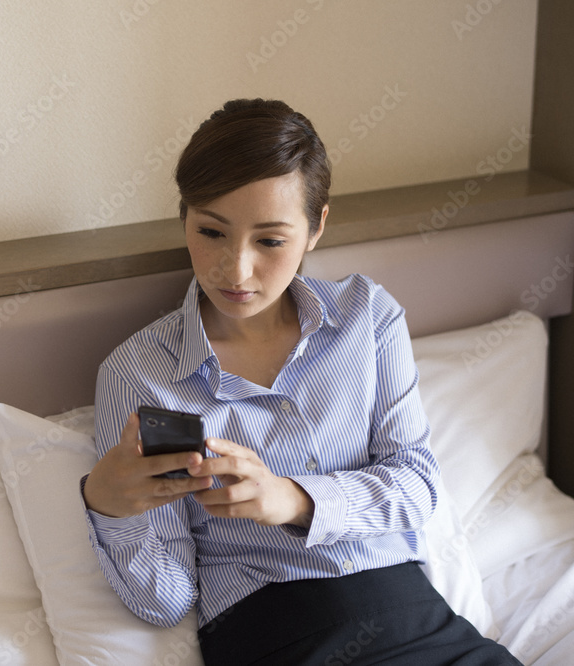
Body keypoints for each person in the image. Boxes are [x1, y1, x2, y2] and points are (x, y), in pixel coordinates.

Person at [81, 98, 520, 665]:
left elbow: (418, 487)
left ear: (316, 228)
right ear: (184, 217)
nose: (235, 270)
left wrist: (292, 499)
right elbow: (166, 603)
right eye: (211, 231)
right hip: (274, 639)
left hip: (419, 622)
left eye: (269, 241)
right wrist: (110, 508)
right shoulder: (139, 372)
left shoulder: (368, 318)